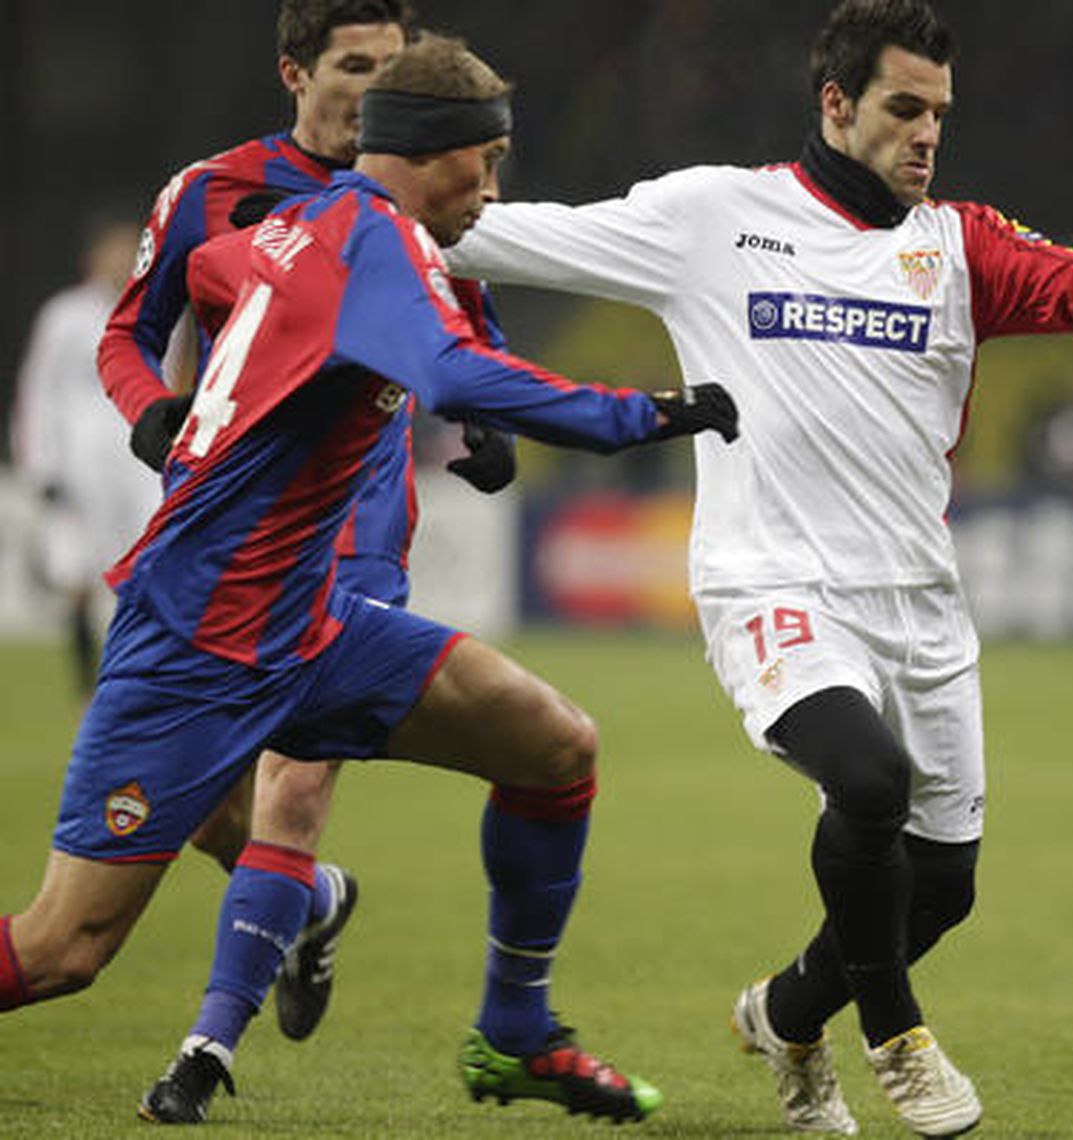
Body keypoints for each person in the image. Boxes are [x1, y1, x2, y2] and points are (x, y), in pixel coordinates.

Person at [444, 1, 1073, 1134]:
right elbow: (495, 232)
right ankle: (896, 1037)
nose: (926, 133)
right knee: (867, 783)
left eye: (938, 112)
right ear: (835, 104)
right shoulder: (713, 217)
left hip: (918, 603)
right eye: (902, 108)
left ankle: (787, 1015)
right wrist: (342, 188)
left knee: (945, 887)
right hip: (771, 583)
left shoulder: (961, 244)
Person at [0, 30, 737, 1129]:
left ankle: (517, 1034)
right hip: (200, 642)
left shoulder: (305, 225)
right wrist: (650, 414)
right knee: (64, 950)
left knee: (554, 746)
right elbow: (444, 367)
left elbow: (216, 271)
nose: (491, 192)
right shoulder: (376, 245)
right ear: (422, 151)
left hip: (307, 622)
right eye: (480, 164)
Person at [95, 2, 514, 1093]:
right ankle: (312, 899)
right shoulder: (211, 193)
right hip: (221, 543)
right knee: (202, 812)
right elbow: (127, 332)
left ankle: (203, 1052)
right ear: (294, 72)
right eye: (357, 68)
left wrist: (491, 427)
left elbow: (472, 319)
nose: (380, 92)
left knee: (294, 791)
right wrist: (151, 411)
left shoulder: (415, 189)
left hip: (355, 538)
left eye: (393, 70)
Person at [10, 218, 161, 699]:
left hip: (138, 459)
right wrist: (39, 462)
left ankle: (137, 676)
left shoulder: (153, 309)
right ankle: (85, 685)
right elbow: (38, 388)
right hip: (79, 460)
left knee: (144, 570)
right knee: (75, 569)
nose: (121, 260)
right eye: (113, 250)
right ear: (93, 257)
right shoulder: (66, 315)